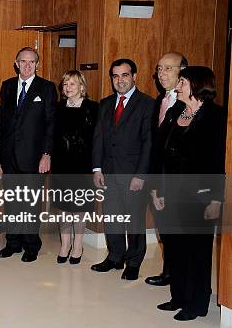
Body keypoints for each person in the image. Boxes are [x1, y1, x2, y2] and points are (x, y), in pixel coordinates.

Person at [152, 66, 224, 321]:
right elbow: (159, 153)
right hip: (170, 193)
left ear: (196, 85)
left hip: (200, 196)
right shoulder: (174, 113)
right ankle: (179, 297)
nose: (177, 86)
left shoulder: (216, 117)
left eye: (182, 81)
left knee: (197, 251)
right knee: (175, 248)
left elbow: (219, 162)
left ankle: (197, 304)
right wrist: (156, 189)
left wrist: (217, 198)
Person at [91, 58, 154, 280]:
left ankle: (134, 262)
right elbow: (98, 138)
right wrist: (97, 168)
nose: (120, 80)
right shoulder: (106, 104)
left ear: (134, 76)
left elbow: (148, 142)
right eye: (116, 76)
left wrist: (140, 175)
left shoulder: (147, 104)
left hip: (133, 174)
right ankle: (115, 257)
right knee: (112, 217)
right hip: (108, 172)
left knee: (134, 219)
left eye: (125, 75)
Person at [0, 47, 56, 263]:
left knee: (30, 203)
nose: (27, 65)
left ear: (37, 65)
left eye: (32, 62)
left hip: (34, 156)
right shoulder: (7, 86)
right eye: (23, 61)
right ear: (16, 62)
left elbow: (50, 124)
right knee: (12, 201)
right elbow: (4, 123)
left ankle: (31, 245)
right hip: (9, 155)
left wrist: (46, 153)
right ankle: (13, 242)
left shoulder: (47, 88)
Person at [145, 52, 187, 286]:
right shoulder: (158, 102)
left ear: (183, 71)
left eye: (168, 68)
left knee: (178, 232)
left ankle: (178, 275)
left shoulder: (189, 105)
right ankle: (169, 272)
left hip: (179, 182)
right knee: (165, 230)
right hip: (158, 178)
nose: (161, 74)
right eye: (159, 69)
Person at [51, 70, 98, 264]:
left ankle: (78, 245)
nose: (68, 87)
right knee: (63, 208)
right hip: (62, 165)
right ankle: (65, 244)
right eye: (65, 84)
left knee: (79, 208)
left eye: (73, 84)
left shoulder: (93, 108)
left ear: (82, 87)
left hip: (83, 166)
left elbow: (97, 140)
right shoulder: (58, 108)